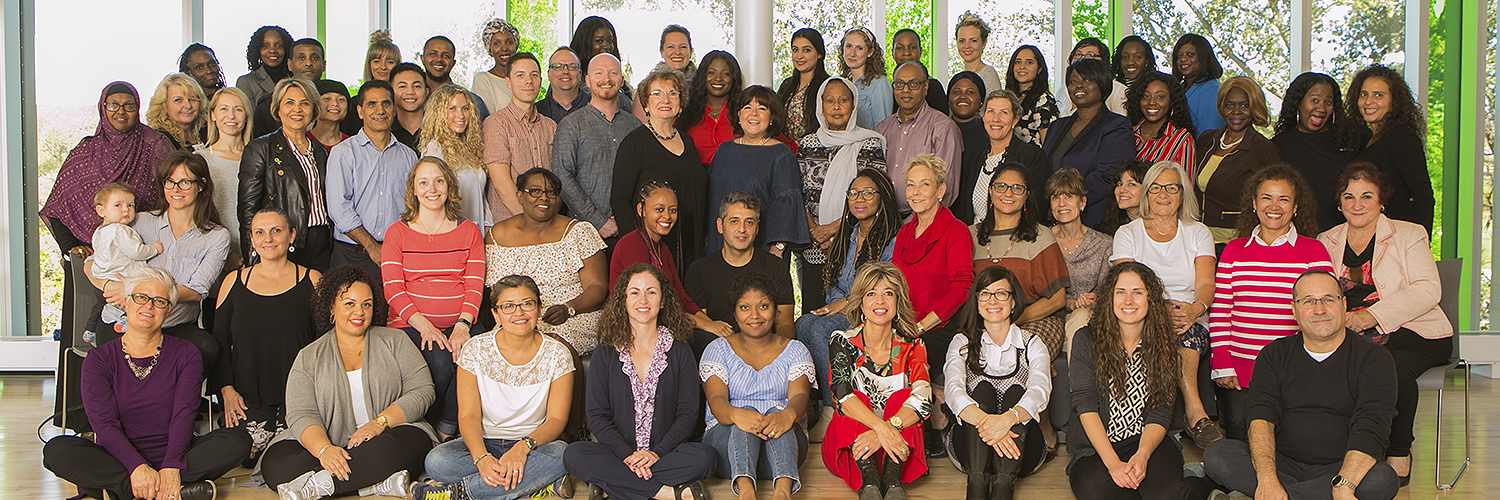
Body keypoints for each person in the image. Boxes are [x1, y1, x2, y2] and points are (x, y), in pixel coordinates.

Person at [43, 267, 251, 500]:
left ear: (169, 310)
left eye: (159, 301)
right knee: (56, 450)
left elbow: (184, 415)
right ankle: (171, 490)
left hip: (176, 453)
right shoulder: (99, 359)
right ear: (126, 301)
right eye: (141, 297)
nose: (148, 306)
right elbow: (104, 424)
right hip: (117, 456)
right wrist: (136, 468)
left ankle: (119, 492)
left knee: (239, 440)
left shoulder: (187, 354)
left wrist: (171, 465)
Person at [1203, 270, 1400, 500]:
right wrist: (1268, 480)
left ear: (1344, 304)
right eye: (1308, 301)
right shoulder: (1274, 354)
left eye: (1328, 299)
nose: (1319, 309)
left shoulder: (1374, 358)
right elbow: (1260, 418)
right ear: (1294, 310)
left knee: (1382, 479)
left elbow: (1372, 427)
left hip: (1341, 468)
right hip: (1279, 463)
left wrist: (1344, 484)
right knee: (1217, 453)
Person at [1317, 163, 1451, 485]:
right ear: (1339, 202)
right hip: (1352, 332)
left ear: (1381, 201)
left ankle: (1398, 450)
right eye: (1349, 197)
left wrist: (1370, 317)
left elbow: (1428, 289)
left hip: (1415, 329)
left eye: (1366, 196)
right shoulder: (1326, 239)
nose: (1357, 204)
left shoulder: (1409, 234)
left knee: (1387, 367)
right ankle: (1351, 450)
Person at [259, 265, 436, 500]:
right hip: (330, 441)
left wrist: (379, 423)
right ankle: (374, 484)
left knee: (404, 446)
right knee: (276, 466)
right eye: (349, 303)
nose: (359, 312)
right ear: (332, 308)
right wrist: (325, 450)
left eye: (367, 304)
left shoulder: (396, 340)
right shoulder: (308, 357)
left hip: (386, 437)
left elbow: (423, 390)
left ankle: (319, 486)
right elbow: (301, 413)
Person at [413, 275, 576, 500]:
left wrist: (522, 448)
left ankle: (457, 493)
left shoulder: (558, 353)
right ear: (495, 315)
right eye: (508, 306)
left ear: (539, 309)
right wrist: (482, 458)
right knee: (437, 461)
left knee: (564, 454)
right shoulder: (475, 349)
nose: (519, 313)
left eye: (527, 304)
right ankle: (533, 482)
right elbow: (468, 415)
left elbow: (557, 420)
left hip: (534, 445)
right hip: (486, 441)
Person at [562, 263, 717, 500]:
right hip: (616, 453)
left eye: (651, 292)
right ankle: (666, 493)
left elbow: (687, 414)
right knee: (574, 454)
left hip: (666, 454)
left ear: (662, 300)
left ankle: (610, 486)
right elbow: (597, 415)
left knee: (706, 457)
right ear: (623, 300)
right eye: (634, 292)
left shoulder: (680, 350)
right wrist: (627, 455)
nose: (642, 300)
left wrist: (656, 453)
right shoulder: (605, 351)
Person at [1209, 165, 1334, 441]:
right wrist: (1222, 362)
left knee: (1289, 445)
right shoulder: (1233, 251)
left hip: (1295, 374)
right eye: (1266, 197)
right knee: (1241, 447)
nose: (1274, 206)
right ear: (1254, 204)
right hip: (1239, 374)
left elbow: (1322, 315)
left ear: (1296, 207)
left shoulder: (1314, 251)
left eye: (1284, 199)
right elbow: (1220, 312)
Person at [1109, 161, 1222, 448]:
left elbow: (1206, 283)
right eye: (1156, 187)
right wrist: (1160, 309)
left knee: (1187, 329)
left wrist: (1197, 308)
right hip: (1141, 309)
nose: (1163, 194)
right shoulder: (1128, 233)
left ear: (1182, 194)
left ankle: (1195, 413)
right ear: (1146, 193)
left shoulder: (1198, 232)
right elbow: (1126, 283)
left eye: (1172, 187)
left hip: (1189, 312)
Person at [1067, 262, 1198, 500]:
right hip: (1096, 450)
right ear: (1110, 298)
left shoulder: (1164, 345)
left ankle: (1200, 484)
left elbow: (1161, 412)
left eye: (1137, 292)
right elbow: (1085, 405)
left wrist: (1143, 455)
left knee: (1167, 496)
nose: (1128, 300)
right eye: (1121, 292)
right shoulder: (1085, 339)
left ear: (1151, 300)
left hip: (1145, 441)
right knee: (1101, 492)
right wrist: (1114, 464)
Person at [91, 151, 229, 371]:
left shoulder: (216, 236)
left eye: (184, 182)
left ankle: (169, 403)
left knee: (207, 348)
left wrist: (138, 292)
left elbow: (196, 291)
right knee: (127, 362)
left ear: (201, 185)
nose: (175, 189)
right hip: (125, 321)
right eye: (170, 181)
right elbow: (92, 262)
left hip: (175, 324)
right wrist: (110, 286)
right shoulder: (138, 221)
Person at [380, 157, 485, 438]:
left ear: (449, 186)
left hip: (459, 322)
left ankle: (447, 428)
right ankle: (423, 426)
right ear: (413, 190)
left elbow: (474, 284)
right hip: (410, 325)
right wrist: (426, 326)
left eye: (439, 181)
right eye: (423, 182)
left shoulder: (469, 231)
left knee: (474, 354)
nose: (432, 189)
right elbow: (393, 288)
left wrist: (463, 325)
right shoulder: (396, 233)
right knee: (439, 361)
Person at [211, 209, 322, 459]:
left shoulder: (313, 280)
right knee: (245, 456)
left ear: (291, 236)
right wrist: (226, 391)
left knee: (293, 455)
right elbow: (218, 343)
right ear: (251, 239)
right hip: (246, 396)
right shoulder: (232, 282)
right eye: (260, 232)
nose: (268, 239)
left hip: (299, 396)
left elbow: (326, 346)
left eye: (276, 231)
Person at [699, 273, 814, 500]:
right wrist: (738, 415)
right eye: (744, 308)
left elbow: (800, 395)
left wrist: (788, 414)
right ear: (734, 312)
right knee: (748, 413)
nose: (754, 315)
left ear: (775, 310)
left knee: (778, 414)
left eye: (763, 306)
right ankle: (746, 492)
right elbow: (716, 401)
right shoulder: (718, 349)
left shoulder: (796, 350)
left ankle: (782, 492)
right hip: (728, 449)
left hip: (782, 453)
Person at [821, 262, 932, 498]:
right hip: (852, 448)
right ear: (861, 303)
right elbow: (841, 395)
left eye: (888, 293)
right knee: (855, 398)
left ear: (897, 303)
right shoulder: (843, 341)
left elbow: (923, 398)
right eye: (871, 293)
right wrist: (881, 428)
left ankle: (892, 483)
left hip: (899, 450)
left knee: (905, 398)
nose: (880, 301)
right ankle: (869, 484)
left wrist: (886, 432)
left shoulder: (913, 345)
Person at [796, 168, 900, 415]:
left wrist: (844, 304)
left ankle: (837, 409)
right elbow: (833, 280)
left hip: (872, 311)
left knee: (822, 329)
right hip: (843, 308)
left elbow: (882, 286)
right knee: (803, 324)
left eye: (867, 193)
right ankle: (818, 401)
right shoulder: (850, 234)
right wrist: (833, 306)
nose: (859, 199)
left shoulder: (892, 237)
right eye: (853, 193)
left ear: (882, 197)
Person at [944, 266, 1051, 500]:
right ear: (977, 300)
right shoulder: (962, 342)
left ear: (1013, 301)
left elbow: (1040, 391)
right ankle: (977, 484)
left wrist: (1008, 420)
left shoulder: (1032, 343)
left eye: (1001, 293)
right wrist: (993, 426)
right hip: (970, 452)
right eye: (985, 293)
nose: (993, 300)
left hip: (1021, 452)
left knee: (1016, 393)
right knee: (983, 391)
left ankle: (1004, 485)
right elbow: (953, 391)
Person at [892, 154, 974, 455]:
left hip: (943, 324)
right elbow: (894, 285)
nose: (915, 192)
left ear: (940, 190)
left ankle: (930, 424)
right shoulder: (904, 232)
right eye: (910, 185)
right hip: (907, 322)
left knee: (909, 353)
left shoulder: (956, 231)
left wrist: (922, 325)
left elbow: (962, 288)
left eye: (924, 184)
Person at [485, 168, 609, 354]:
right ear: (520, 196)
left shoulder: (580, 232)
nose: (544, 198)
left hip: (571, 317)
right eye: (535, 191)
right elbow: (495, 292)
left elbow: (597, 287)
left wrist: (568, 308)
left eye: (551, 193)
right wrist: (520, 314)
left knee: (552, 346)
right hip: (518, 318)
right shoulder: (497, 235)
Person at [43, 82, 173, 258]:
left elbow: (177, 196)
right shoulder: (85, 152)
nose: (121, 111)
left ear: (137, 108)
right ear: (102, 108)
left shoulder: (156, 145)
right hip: (87, 256)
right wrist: (70, 248)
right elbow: (56, 208)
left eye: (129, 105)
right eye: (113, 105)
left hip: (143, 253)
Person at [796, 77, 888, 312]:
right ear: (821, 106)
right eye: (830, 101)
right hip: (814, 243)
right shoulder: (808, 144)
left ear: (853, 105)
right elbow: (799, 192)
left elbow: (875, 197)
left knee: (853, 309)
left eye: (843, 100)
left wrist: (834, 229)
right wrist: (816, 232)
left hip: (854, 240)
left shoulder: (869, 143)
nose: (836, 107)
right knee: (814, 311)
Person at [969, 163, 1071, 360]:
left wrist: (1010, 322)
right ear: (990, 191)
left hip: (1034, 320)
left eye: (1017, 188)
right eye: (1001, 186)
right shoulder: (970, 235)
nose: (1008, 193)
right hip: (985, 320)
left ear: (1026, 196)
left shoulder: (1040, 235)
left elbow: (1057, 299)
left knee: (1017, 361)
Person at [326, 79, 420, 288]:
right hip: (351, 252)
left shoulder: (409, 156)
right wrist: (371, 246)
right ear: (360, 111)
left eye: (386, 104)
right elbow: (339, 208)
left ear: (394, 109)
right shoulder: (343, 152)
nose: (380, 110)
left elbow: (414, 207)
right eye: (372, 104)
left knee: (391, 317)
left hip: (395, 253)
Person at [614, 68, 708, 268]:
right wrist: (638, 248)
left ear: (680, 104)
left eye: (672, 93)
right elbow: (620, 201)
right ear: (646, 104)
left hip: (691, 247)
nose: (665, 99)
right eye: (657, 93)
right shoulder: (634, 143)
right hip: (652, 250)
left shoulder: (688, 142)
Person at [240, 77, 334, 271]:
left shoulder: (320, 151)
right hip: (285, 242)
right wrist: (253, 259)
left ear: (314, 110)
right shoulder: (261, 148)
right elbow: (248, 209)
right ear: (278, 108)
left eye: (305, 103)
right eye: (289, 102)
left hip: (322, 242)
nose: (297, 109)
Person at [706, 86, 810, 255]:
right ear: (739, 115)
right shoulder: (723, 150)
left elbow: (787, 206)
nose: (753, 113)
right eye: (747, 107)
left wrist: (778, 248)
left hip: (763, 249)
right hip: (720, 247)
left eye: (762, 108)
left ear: (771, 118)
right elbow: (711, 199)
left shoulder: (781, 154)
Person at [686, 193, 798, 345]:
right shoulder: (699, 270)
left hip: (766, 351)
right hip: (719, 352)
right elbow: (701, 327)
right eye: (734, 221)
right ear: (720, 226)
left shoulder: (775, 267)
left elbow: (785, 324)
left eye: (749, 222)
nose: (742, 229)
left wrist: (776, 357)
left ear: (757, 227)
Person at [554, 53, 642, 240]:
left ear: (621, 79)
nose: (607, 79)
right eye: (599, 73)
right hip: (584, 233)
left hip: (631, 230)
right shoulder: (571, 124)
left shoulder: (635, 126)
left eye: (613, 73)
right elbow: (562, 176)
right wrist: (598, 220)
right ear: (587, 80)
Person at [1041, 58, 1133, 226]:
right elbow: (1045, 169)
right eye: (1073, 81)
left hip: (1094, 219)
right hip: (1054, 218)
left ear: (1103, 84)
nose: (1079, 85)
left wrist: (1067, 200)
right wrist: (1050, 203)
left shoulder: (1116, 126)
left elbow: (1108, 176)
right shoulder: (1056, 126)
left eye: (1088, 80)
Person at [1343, 64, 1434, 234]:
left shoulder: (1400, 137)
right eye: (1364, 95)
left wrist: (1422, 241)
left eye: (1378, 95)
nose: (1368, 101)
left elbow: (1423, 195)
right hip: (1372, 236)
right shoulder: (1365, 140)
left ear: (1394, 102)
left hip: (1399, 238)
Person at [1195, 76, 1284, 244]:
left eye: (1244, 105)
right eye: (1229, 105)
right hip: (1198, 237)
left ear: (1254, 107)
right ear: (1221, 108)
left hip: (1237, 242)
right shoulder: (1207, 140)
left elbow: (1278, 198)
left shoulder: (1262, 148)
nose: (1236, 111)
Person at [953, 89, 1050, 225]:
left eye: (1004, 113)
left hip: (1014, 238)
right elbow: (964, 208)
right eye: (991, 111)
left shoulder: (1031, 156)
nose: (996, 119)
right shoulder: (974, 157)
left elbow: (1037, 209)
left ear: (1014, 120)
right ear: (984, 117)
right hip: (974, 236)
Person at [876, 61, 964, 210]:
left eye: (913, 84)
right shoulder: (882, 129)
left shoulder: (943, 128)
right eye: (899, 84)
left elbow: (946, 189)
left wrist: (918, 225)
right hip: (884, 219)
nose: (905, 90)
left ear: (926, 86)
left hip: (924, 223)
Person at [485, 52, 558, 224]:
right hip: (510, 224)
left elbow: (557, 179)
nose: (528, 81)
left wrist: (546, 220)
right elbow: (501, 184)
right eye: (520, 75)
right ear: (508, 82)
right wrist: (530, 222)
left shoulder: (551, 126)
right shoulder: (496, 124)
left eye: (534, 75)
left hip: (546, 223)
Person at [1046, 168, 1112, 356]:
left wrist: (1093, 300)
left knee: (1081, 318)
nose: (1061, 204)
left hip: (1088, 317)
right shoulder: (1043, 240)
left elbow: (1108, 291)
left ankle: (1080, 384)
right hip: (1050, 316)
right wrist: (1070, 303)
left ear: (1082, 202)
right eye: (1055, 197)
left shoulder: (1103, 244)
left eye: (1068, 196)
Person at [1273, 72, 1350, 232]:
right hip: (1296, 240)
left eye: (1328, 102)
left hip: (1342, 237)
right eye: (1314, 100)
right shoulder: (1279, 145)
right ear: (1298, 103)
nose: (1321, 108)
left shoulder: (1349, 141)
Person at [420, 84, 490, 227]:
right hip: (452, 235)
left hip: (478, 233)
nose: (461, 115)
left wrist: (488, 224)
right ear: (439, 113)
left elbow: (481, 197)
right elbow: (431, 202)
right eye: (452, 109)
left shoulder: (471, 148)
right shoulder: (434, 151)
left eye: (465, 108)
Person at [195, 86, 252, 255]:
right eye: (224, 109)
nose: (231, 116)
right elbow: (194, 213)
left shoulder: (259, 156)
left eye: (238, 109)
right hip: (213, 251)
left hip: (257, 250)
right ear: (212, 115)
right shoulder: (200, 159)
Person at [251, 39, 328, 140]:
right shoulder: (267, 105)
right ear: (289, 64)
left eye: (314, 58)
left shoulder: (334, 104)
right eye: (301, 58)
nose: (308, 63)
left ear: (324, 66)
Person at [679, 51, 746, 166]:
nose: (718, 78)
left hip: (738, 180)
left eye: (725, 74)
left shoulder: (746, 112)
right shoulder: (686, 114)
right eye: (711, 73)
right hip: (696, 181)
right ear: (703, 76)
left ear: (733, 78)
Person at [1125, 71, 1195, 173]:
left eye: (1160, 97)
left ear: (1172, 101)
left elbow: (1186, 185)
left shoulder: (1181, 139)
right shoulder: (1128, 131)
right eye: (1146, 96)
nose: (1151, 102)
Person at [631, 25, 697, 122]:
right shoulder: (648, 86)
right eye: (670, 47)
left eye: (683, 47)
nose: (677, 52)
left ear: (690, 51)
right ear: (661, 52)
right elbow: (640, 126)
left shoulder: (702, 84)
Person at [778, 28, 833, 139]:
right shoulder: (786, 85)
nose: (799, 56)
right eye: (795, 50)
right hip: (784, 151)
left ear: (819, 54)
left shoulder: (828, 86)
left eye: (806, 50)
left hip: (814, 152)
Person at [838, 27, 893, 130]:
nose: (852, 53)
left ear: (870, 52)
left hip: (869, 145)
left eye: (859, 48)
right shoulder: (842, 84)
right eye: (849, 46)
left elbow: (883, 128)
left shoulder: (879, 83)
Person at [1172, 34, 1225, 138]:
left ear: (1203, 57)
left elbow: (1208, 136)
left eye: (1190, 54)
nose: (1183, 59)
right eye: (1179, 56)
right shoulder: (1180, 88)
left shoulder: (1211, 90)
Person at [1058, 38, 1128, 117]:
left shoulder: (1118, 89)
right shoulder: (1062, 90)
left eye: (1090, 55)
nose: (1082, 58)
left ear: (1103, 61)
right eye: (1078, 54)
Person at [1005, 45, 1058, 146]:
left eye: (1029, 62)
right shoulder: (1009, 98)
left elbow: (1049, 144)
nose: (1022, 66)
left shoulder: (1043, 100)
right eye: (1018, 62)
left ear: (1039, 69)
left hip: (1034, 160)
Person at [889, 29, 948, 114]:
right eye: (900, 48)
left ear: (920, 51)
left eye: (912, 47)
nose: (906, 52)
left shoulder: (933, 87)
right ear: (892, 53)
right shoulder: (889, 89)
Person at [146, 73, 208, 150]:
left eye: (193, 98)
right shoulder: (160, 140)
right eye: (178, 100)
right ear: (163, 105)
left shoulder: (207, 131)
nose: (188, 105)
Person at [235, 25, 292, 107]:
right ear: (258, 50)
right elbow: (249, 116)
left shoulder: (295, 79)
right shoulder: (246, 82)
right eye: (266, 46)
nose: (272, 50)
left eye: (279, 46)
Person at [473, 19, 520, 113]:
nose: (504, 48)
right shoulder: (483, 80)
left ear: (516, 45)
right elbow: (487, 121)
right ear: (489, 49)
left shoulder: (523, 79)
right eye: (496, 44)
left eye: (509, 42)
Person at [1093, 160, 1151, 236]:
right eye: (1119, 184)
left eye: (1131, 184)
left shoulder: (1163, 228)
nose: (1122, 190)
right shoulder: (1104, 230)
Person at [952, 12, 1002, 97]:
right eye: (962, 41)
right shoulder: (959, 77)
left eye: (973, 40)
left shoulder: (988, 74)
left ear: (984, 43)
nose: (966, 46)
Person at [536, 48, 589, 123]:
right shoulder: (536, 112)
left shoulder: (595, 106)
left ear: (580, 74)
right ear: (548, 74)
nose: (565, 71)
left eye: (572, 67)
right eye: (558, 67)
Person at [390, 63, 429, 151]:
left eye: (417, 86)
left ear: (426, 92)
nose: (410, 92)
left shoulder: (438, 130)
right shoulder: (386, 131)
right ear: (391, 92)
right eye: (402, 86)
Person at [948, 72, 986, 158]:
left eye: (970, 92)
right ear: (948, 99)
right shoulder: (939, 130)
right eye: (957, 92)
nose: (962, 96)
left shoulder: (990, 132)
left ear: (981, 100)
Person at [310, 79, 351, 149]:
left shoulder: (351, 145)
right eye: (327, 98)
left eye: (341, 99)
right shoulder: (303, 141)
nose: (335, 104)